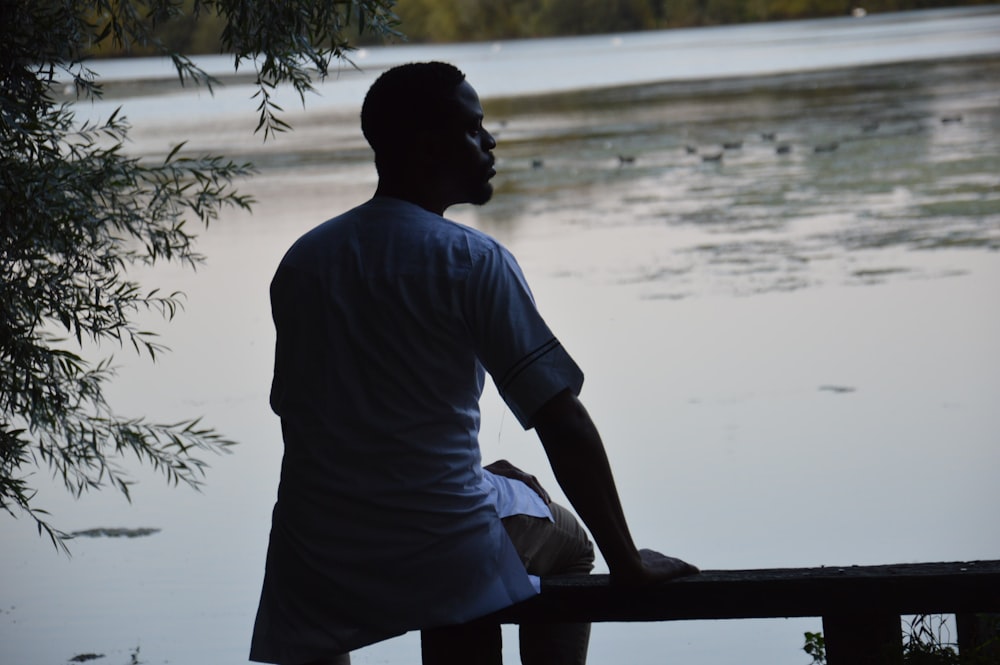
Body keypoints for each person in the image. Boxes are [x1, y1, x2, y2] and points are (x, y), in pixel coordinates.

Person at [249, 61, 697, 665]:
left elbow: (318, 420)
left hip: (315, 553)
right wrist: (631, 561)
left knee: (470, 506)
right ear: (426, 144)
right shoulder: (471, 259)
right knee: (568, 546)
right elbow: (561, 422)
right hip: (441, 546)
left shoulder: (304, 261)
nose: (490, 142)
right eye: (471, 128)